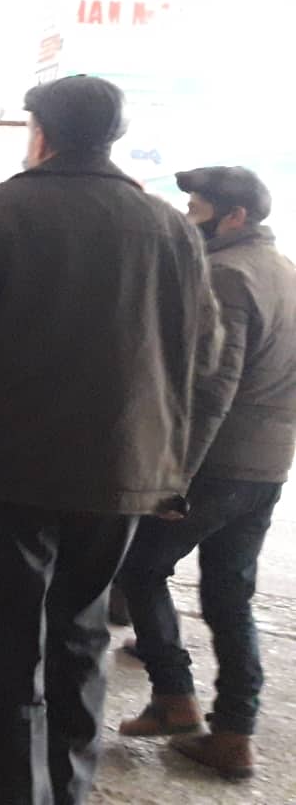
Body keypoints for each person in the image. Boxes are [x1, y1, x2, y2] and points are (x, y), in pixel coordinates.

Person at [0, 75, 227, 805]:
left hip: (10, 470)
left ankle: (18, 792)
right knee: (81, 633)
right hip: (120, 474)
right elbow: (204, 358)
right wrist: (170, 463)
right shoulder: (169, 228)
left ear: (40, 133)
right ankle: (67, 790)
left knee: (7, 643)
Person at [117, 166, 293, 780]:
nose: (190, 217)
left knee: (139, 567)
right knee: (229, 595)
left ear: (235, 216)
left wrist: (177, 476)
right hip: (267, 468)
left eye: (197, 208)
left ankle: (174, 696)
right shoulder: (285, 271)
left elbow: (214, 385)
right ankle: (234, 735)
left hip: (218, 465)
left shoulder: (228, 274)